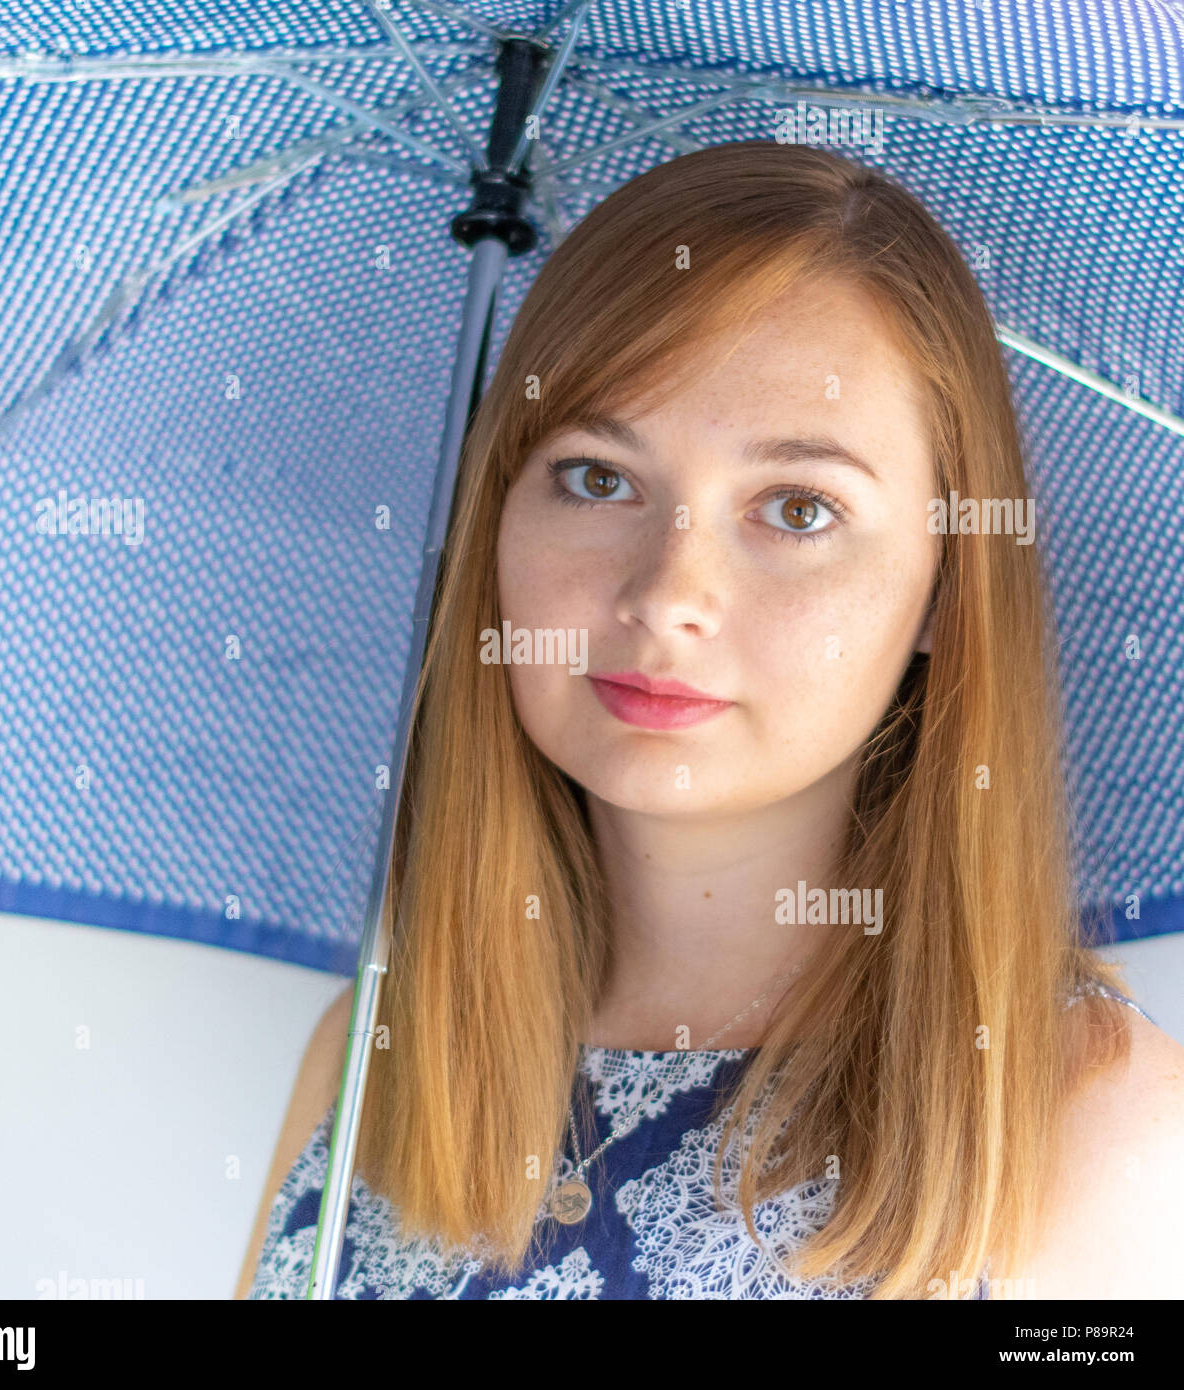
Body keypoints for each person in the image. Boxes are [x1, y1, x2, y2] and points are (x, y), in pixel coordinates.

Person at [238, 140, 1184, 1300]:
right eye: (595, 477)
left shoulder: (1079, 1110)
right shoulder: (373, 1055)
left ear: (946, 584)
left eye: (796, 506)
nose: (669, 594)